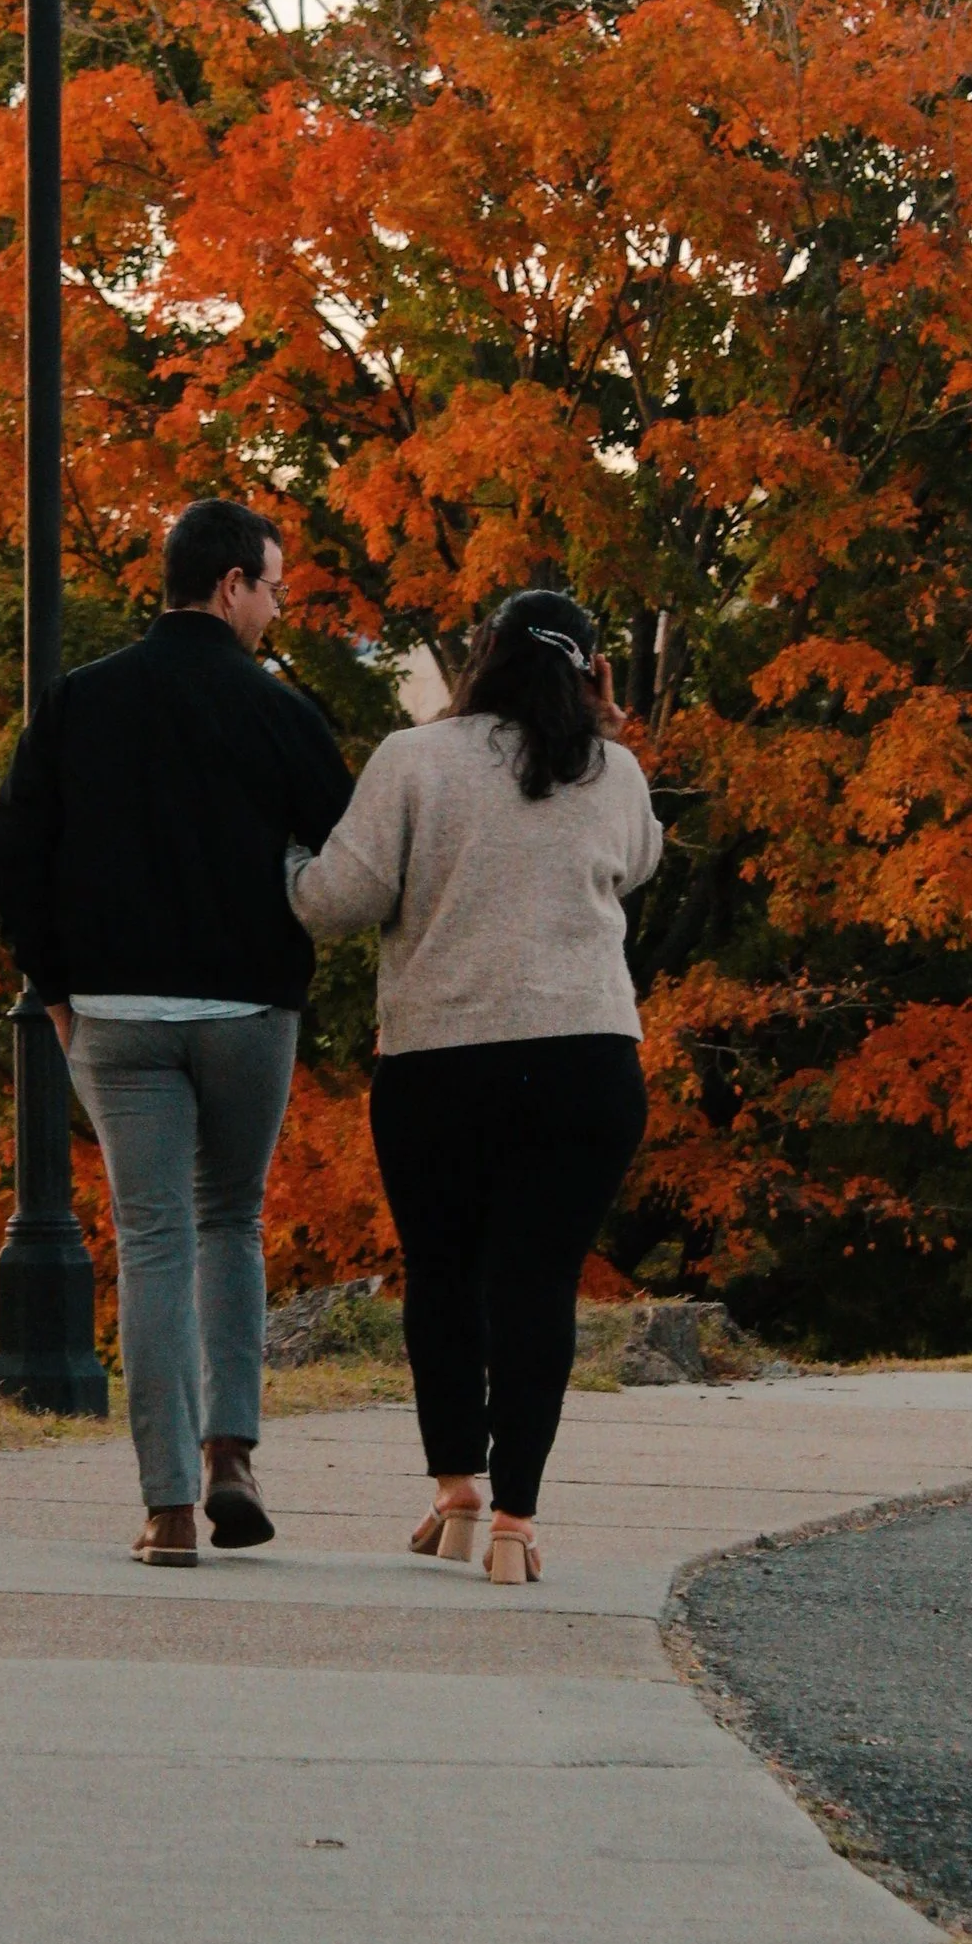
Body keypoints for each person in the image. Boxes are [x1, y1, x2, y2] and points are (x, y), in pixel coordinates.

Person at [0, 498, 354, 1567]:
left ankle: (167, 1511)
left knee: (149, 1245)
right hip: (246, 1010)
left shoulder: (79, 702)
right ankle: (230, 1452)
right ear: (232, 584)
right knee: (227, 1222)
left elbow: (14, 866)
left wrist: (58, 991)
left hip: (113, 1012)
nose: (275, 612)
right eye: (273, 589)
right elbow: (345, 856)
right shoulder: (277, 711)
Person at [289, 589, 662, 1586]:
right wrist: (609, 732)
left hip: (441, 1059)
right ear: (590, 676)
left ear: (480, 656)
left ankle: (456, 1487)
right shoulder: (613, 770)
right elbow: (634, 867)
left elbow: (338, 900)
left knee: (443, 1272)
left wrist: (288, 864)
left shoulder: (414, 761)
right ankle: (515, 1522)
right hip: (586, 1058)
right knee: (538, 1285)